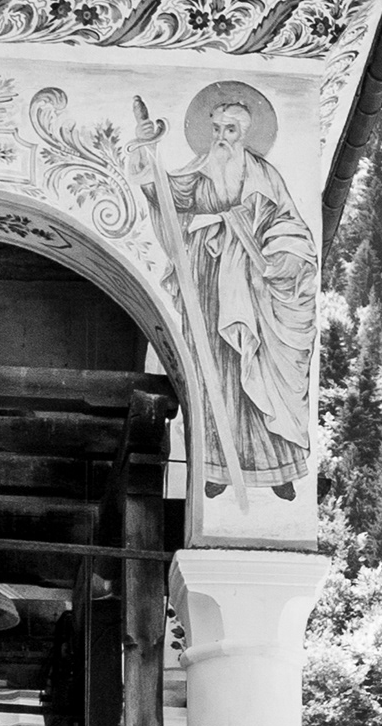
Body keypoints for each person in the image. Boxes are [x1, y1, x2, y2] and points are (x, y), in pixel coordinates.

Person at [130, 82, 318, 496]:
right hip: (207, 282)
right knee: (211, 372)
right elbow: (164, 192)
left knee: (258, 368)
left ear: (245, 134)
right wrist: (145, 151)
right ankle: (215, 467)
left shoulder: (265, 175)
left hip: (252, 288)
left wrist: (282, 256)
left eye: (229, 130)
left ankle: (277, 469)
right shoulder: (202, 167)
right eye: (216, 129)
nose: (220, 138)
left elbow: (290, 225)